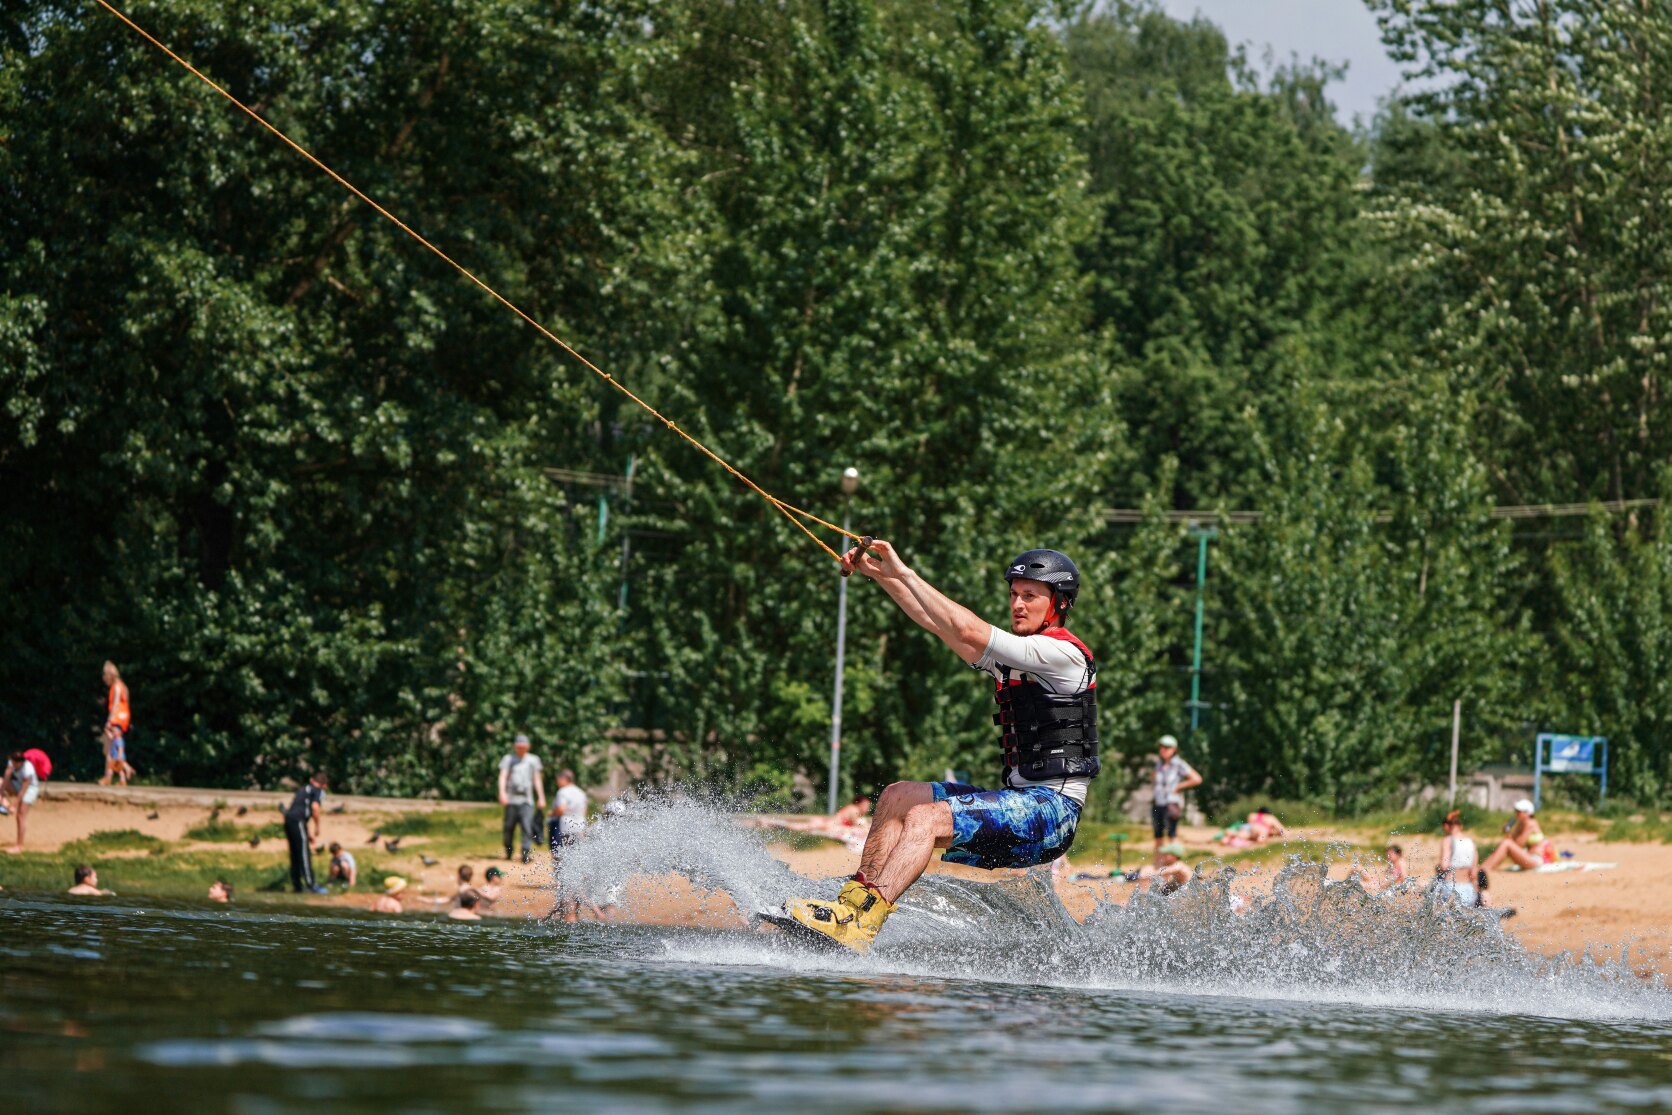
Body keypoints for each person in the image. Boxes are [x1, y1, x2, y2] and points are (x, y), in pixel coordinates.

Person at [782, 545, 1099, 952]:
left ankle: (861, 925)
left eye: (1030, 596)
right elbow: (938, 623)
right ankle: (850, 906)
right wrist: (882, 576)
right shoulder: (1016, 656)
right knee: (899, 796)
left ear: (1059, 603)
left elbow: (967, 629)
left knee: (925, 819)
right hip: (1021, 798)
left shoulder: (1063, 653)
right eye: (1013, 595)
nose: (1017, 605)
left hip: (1053, 813)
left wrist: (906, 572)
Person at [1151, 735, 1201, 863]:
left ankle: (1178, 868)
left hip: (1171, 804)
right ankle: (1157, 869)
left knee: (1172, 836)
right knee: (1158, 838)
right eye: (1161, 747)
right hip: (1158, 803)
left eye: (1166, 747)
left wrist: (1179, 786)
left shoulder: (1178, 764)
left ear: (1174, 749)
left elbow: (1196, 779)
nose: (1163, 749)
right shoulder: (1159, 764)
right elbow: (1154, 780)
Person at [498, 734, 546, 864]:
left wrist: (541, 797)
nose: (521, 749)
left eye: (524, 747)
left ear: (528, 747)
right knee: (508, 827)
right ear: (515, 747)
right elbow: (503, 776)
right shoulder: (508, 759)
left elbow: (537, 779)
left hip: (526, 801)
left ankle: (525, 853)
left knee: (527, 827)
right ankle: (509, 851)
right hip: (511, 800)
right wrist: (502, 793)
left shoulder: (533, 760)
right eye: (519, 747)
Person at [283, 771, 329, 894]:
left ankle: (297, 885)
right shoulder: (317, 791)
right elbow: (314, 808)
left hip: (289, 821)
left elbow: (298, 811)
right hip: (298, 822)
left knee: (295, 853)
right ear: (324, 784)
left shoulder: (302, 790)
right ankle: (311, 884)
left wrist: (308, 834)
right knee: (304, 853)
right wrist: (317, 827)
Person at [1482, 799, 1555, 871]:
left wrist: (1508, 837)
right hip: (1528, 856)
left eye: (1519, 812)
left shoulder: (1530, 823)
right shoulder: (1521, 823)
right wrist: (1507, 832)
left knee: (1506, 843)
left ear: (1527, 813)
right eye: (1516, 811)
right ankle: (1484, 867)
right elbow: (1512, 841)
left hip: (1536, 859)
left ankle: (1485, 868)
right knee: (1504, 843)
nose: (1516, 813)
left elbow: (1518, 844)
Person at [100, 660, 136, 787]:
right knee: (114, 749)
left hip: (116, 720)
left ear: (110, 675)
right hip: (123, 719)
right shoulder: (123, 686)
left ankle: (108, 777)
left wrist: (109, 721)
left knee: (110, 750)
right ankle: (122, 777)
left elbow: (115, 704)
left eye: (105, 675)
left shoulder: (116, 687)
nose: (104, 678)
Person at [1435, 810, 1478, 906]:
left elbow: (1444, 866)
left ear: (1448, 827)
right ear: (1461, 826)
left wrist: (1438, 868)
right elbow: (1474, 873)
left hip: (1451, 887)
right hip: (1468, 889)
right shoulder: (1471, 843)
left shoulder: (1447, 841)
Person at [3, 750, 42, 853]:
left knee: (20, 815)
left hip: (30, 788)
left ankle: (19, 846)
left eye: (14, 762)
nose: (12, 763)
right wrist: (2, 795)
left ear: (20, 763)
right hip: (18, 784)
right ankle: (5, 805)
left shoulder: (28, 769)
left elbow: (22, 792)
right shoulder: (11, 763)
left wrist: (14, 805)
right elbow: (7, 777)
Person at [549, 769, 587, 857]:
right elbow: (584, 810)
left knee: (562, 854)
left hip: (566, 826)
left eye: (558, 779)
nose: (557, 782)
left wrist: (552, 813)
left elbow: (561, 809)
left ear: (563, 779)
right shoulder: (581, 792)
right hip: (580, 826)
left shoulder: (562, 792)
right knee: (577, 854)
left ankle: (560, 871)